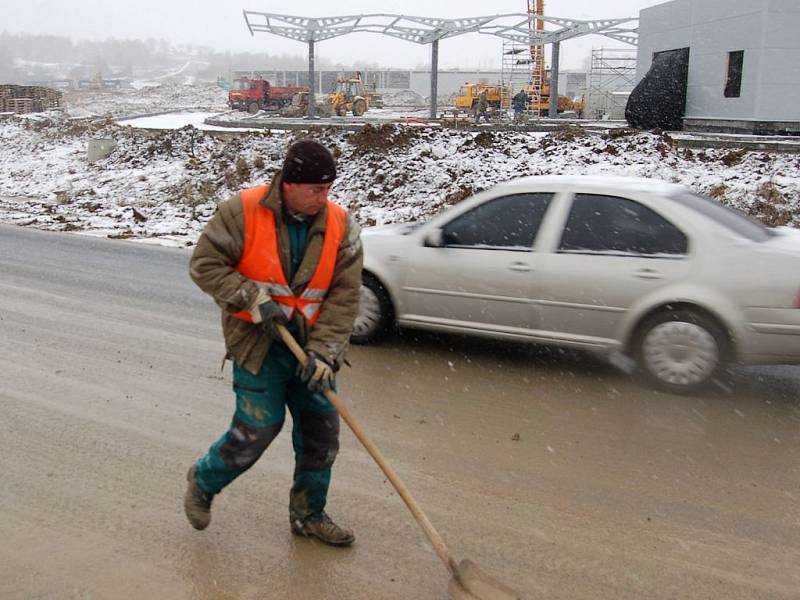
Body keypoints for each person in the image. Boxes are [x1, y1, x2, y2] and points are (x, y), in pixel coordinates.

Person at [183, 139, 363, 547]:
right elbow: (204, 265)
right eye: (316, 189)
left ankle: (308, 516)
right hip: (259, 346)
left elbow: (344, 296)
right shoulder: (242, 213)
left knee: (321, 436)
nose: (324, 198)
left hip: (312, 349)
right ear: (289, 183)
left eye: (328, 189)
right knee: (257, 430)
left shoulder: (341, 226)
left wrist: (326, 351)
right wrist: (250, 297)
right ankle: (203, 480)